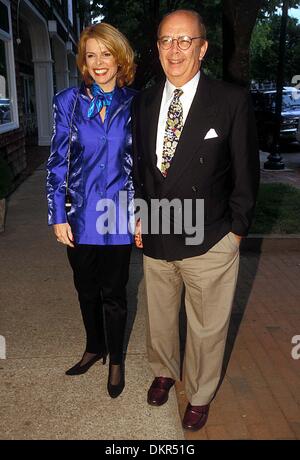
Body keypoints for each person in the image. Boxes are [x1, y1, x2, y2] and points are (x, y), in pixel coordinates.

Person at [132, 9, 260, 430]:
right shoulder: (145, 100)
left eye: (185, 40)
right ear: (157, 47)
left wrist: (236, 232)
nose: (175, 49)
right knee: (161, 315)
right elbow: (140, 169)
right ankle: (164, 371)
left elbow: (246, 173)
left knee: (206, 329)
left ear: (202, 48)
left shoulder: (230, 100)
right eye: (167, 40)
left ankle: (201, 393)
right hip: (158, 230)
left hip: (210, 238)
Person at [46, 23, 136, 398]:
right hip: (80, 214)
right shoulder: (68, 102)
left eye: (106, 53)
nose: (99, 62)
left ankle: (115, 359)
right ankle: (93, 347)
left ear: (120, 58)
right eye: (91, 55)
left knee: (114, 292)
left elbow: (143, 164)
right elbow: (57, 161)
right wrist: (57, 214)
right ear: (83, 62)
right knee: (85, 288)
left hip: (118, 213)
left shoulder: (137, 103)